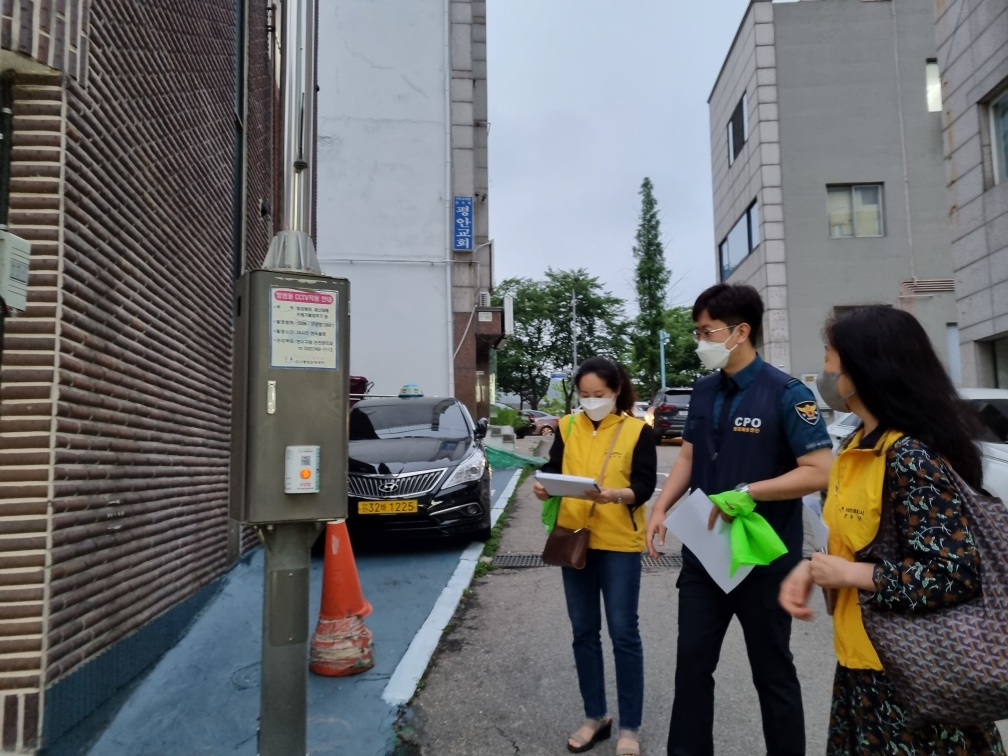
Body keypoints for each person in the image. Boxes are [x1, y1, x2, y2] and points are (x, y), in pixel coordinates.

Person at [778, 306, 1005, 754]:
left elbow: (951, 574)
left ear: (861, 368)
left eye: (829, 355)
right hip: (862, 663)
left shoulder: (909, 456)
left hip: (915, 671)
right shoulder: (856, 447)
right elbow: (860, 544)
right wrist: (813, 567)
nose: (823, 369)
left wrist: (848, 576)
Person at [645, 283, 833, 756]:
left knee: (772, 673)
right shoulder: (704, 390)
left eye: (707, 331)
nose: (699, 340)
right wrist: (661, 506)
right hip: (705, 557)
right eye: (698, 331)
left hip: (765, 561)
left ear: (740, 331)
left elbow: (818, 471)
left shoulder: (788, 394)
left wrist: (749, 492)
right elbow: (688, 456)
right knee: (691, 664)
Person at [533, 356, 657, 756]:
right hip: (575, 539)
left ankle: (630, 729)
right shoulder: (567, 427)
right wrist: (544, 487)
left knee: (624, 634)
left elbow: (644, 484)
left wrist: (615, 495)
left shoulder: (638, 430)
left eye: (598, 395)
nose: (591, 402)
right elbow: (554, 468)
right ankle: (595, 717)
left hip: (619, 542)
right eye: (584, 395)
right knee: (583, 632)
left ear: (616, 391)